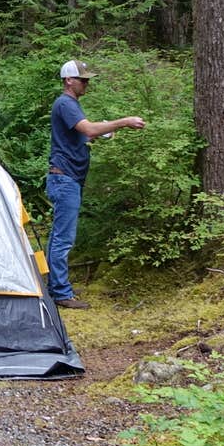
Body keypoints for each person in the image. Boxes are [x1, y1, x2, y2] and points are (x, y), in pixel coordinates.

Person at [45, 60, 144, 310]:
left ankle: (57, 285)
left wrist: (102, 133)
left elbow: (85, 134)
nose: (86, 83)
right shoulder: (65, 103)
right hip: (64, 179)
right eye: (83, 79)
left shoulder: (70, 105)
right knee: (63, 238)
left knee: (59, 236)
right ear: (69, 80)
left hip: (68, 178)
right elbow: (88, 129)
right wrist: (122, 122)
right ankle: (60, 293)